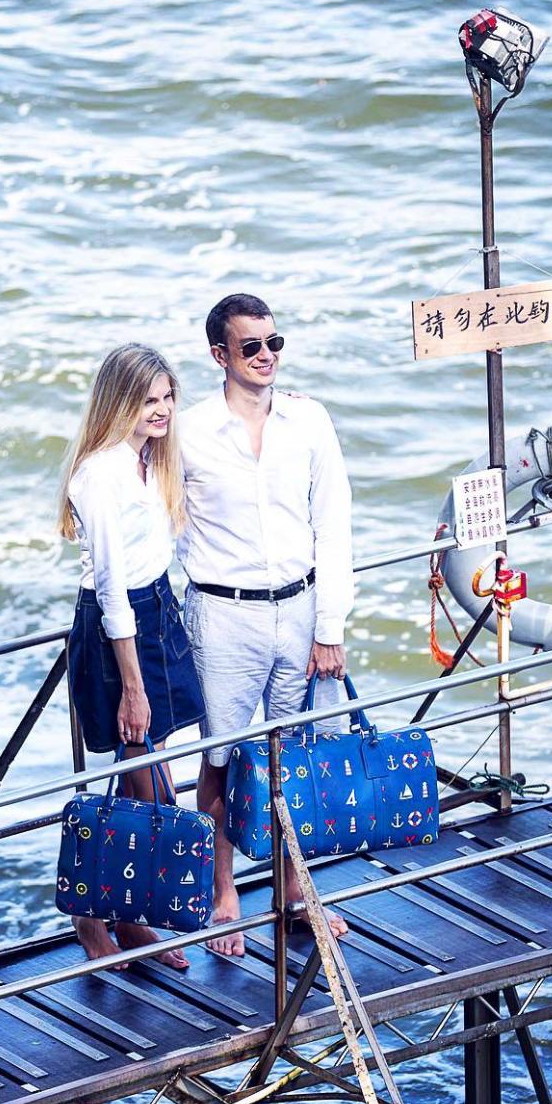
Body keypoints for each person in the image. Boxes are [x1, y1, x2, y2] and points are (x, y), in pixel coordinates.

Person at [179, 294, 354, 956]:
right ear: (219, 355)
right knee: (219, 756)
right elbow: (157, 513)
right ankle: (222, 891)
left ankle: (293, 891)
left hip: (300, 609)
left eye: (273, 343)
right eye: (250, 346)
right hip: (222, 612)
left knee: (295, 757)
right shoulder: (189, 431)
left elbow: (333, 522)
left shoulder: (309, 420)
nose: (266, 356)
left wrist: (329, 625)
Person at [59, 343, 206, 969]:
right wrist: (133, 687)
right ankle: (91, 919)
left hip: (158, 609)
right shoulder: (100, 474)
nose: (162, 410)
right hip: (118, 630)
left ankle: (126, 914)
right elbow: (111, 589)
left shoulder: (150, 461)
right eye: (148, 400)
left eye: (168, 397)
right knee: (146, 783)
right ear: (120, 402)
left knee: (137, 779)